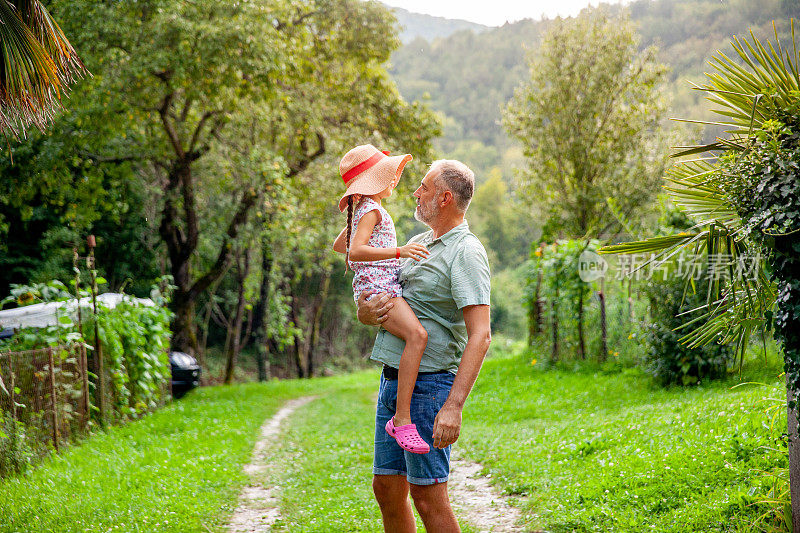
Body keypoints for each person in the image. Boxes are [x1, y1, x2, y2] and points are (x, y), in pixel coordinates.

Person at [357, 159, 492, 533]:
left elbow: (480, 335)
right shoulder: (416, 244)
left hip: (430, 389)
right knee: (386, 489)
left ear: (445, 198)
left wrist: (454, 406)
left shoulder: (466, 252)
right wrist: (366, 313)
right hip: (392, 383)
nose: (416, 193)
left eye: (424, 187)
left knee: (428, 497)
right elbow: (388, 300)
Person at [333, 144, 433, 454]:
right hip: (381, 291)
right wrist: (398, 251)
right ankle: (402, 419)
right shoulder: (373, 210)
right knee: (417, 336)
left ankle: (401, 416)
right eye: (388, 176)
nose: (394, 181)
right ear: (374, 181)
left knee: (415, 336)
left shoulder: (365, 210)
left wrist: (361, 231)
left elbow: (340, 245)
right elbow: (353, 252)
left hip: (378, 287)